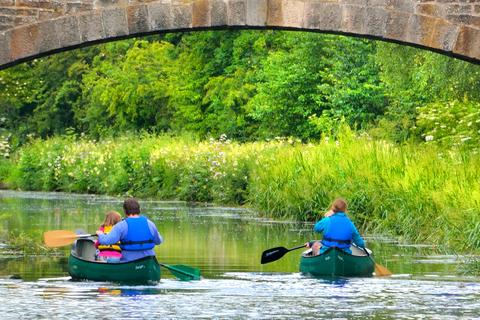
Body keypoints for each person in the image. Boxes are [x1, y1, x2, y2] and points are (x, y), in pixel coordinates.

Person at [96, 198, 163, 262]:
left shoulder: (121, 226)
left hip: (129, 261)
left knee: (111, 260)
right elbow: (159, 241)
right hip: (149, 259)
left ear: (125, 211)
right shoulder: (150, 224)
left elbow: (106, 241)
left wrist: (100, 234)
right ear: (139, 209)